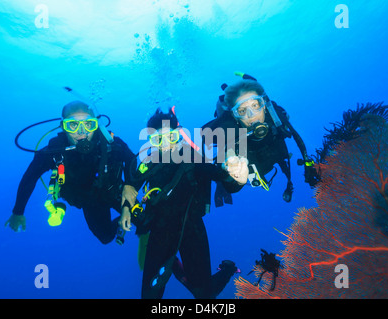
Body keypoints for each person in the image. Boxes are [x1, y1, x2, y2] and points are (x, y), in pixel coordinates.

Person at [120, 108, 248, 299]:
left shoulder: (192, 158)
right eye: (158, 140)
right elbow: (131, 186)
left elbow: (221, 175)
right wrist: (125, 209)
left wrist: (236, 174)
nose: (166, 145)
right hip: (159, 228)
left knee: (205, 296)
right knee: (149, 296)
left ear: (178, 136)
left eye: (171, 138)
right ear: (151, 142)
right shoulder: (148, 162)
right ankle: (174, 266)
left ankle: (227, 270)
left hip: (192, 228)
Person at [5, 101, 136, 245]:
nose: (82, 132)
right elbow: (30, 178)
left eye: (88, 124)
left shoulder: (111, 144)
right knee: (105, 237)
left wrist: (129, 185)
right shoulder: (52, 152)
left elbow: (131, 160)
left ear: (96, 125)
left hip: (115, 192)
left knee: (144, 220)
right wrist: (18, 211)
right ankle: (121, 224)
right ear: (63, 126)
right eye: (73, 125)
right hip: (89, 201)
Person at [203, 73, 319, 206]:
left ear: (264, 104)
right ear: (235, 116)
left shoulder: (276, 117)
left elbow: (298, 139)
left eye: (255, 105)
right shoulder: (230, 132)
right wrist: (236, 178)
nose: (251, 115)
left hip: (270, 159)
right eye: (241, 111)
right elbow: (229, 155)